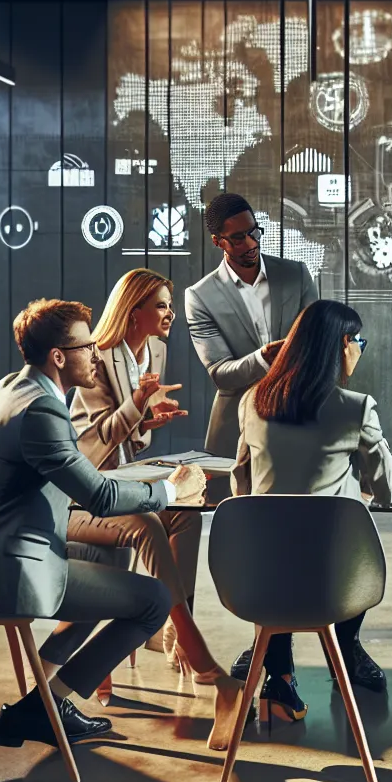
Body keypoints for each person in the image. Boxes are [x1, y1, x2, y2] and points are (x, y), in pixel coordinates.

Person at [0, 299, 208, 748]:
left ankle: (41, 701)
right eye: (87, 347)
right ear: (59, 357)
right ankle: (44, 708)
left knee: (108, 563)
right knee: (154, 600)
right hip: (7, 567)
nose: (97, 355)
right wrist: (170, 491)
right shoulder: (42, 410)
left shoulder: (11, 387)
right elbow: (99, 497)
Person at [222, 300, 392, 721]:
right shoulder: (356, 407)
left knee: (277, 540)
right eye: (359, 343)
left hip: (258, 577)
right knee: (343, 528)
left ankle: (279, 679)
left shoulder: (252, 401)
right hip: (334, 580)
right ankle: (346, 652)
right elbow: (387, 491)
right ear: (343, 344)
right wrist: (357, 491)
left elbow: (241, 483)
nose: (360, 350)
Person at [68, 268, 226, 690]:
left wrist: (149, 419)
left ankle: (172, 628)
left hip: (123, 473)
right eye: (161, 305)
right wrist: (139, 404)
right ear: (133, 310)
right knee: (153, 520)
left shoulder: (155, 349)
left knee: (187, 515)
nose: (170, 313)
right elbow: (103, 435)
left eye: (170, 305)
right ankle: (184, 638)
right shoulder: (97, 357)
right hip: (89, 484)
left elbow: (133, 438)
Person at [185, 192, 320, 462]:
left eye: (253, 232)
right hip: (235, 430)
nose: (250, 243)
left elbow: (318, 343)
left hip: (299, 417)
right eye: (238, 238)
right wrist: (263, 358)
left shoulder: (297, 275)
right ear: (217, 241)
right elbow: (220, 373)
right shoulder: (200, 296)